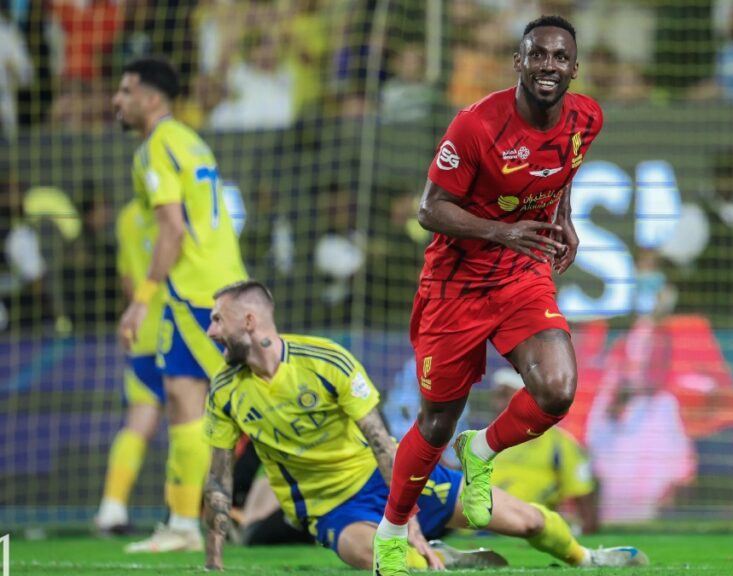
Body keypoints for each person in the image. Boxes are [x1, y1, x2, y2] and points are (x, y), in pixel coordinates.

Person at [201, 280, 649, 571]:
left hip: (389, 481)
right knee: (396, 565)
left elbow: (380, 442)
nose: (210, 331)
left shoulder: (327, 362)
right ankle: (439, 557)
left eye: (217, 319)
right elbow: (219, 477)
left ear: (249, 320)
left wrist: (404, 517)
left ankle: (587, 557)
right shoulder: (224, 391)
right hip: (332, 509)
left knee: (529, 522)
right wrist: (213, 560)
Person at [374, 15, 606, 575]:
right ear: (519, 62)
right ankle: (390, 533)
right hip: (454, 285)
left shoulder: (587, 117)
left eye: (559, 57)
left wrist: (565, 218)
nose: (548, 65)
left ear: (573, 68)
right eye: (538, 55)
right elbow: (430, 209)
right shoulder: (476, 126)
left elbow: (564, 165)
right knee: (435, 423)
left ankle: (481, 450)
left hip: (521, 273)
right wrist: (503, 230)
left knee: (557, 389)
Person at [112, 56, 248, 552]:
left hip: (196, 291)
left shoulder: (156, 147)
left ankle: (373, 500)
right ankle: (182, 524)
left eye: (125, 91)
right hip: (210, 284)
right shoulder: (190, 139)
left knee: (249, 404)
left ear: (151, 98)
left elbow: (173, 228)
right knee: (183, 400)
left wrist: (140, 301)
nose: (116, 100)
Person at [93, 198, 166, 534]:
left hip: (143, 333)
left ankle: (111, 507)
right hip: (181, 331)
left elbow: (127, 280)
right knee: (195, 422)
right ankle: (188, 514)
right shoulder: (180, 210)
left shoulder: (127, 215)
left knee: (139, 421)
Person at [489, 368, 599, 534]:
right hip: (472, 530)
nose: (498, 404)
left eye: (505, 396)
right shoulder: (484, 438)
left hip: (524, 530)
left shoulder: (561, 445)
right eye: (497, 396)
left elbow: (584, 500)